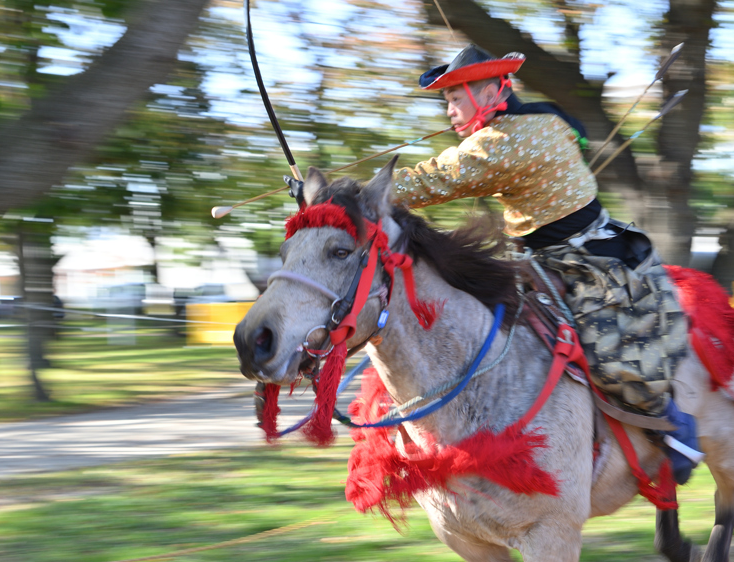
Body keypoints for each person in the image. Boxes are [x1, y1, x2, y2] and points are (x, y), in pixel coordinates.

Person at [292, 45, 703, 483]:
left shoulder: (507, 140)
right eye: (447, 101)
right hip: (534, 258)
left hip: (588, 256)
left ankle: (674, 424)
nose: (449, 111)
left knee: (609, 353)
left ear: (489, 92)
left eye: (455, 99)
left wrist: (344, 200)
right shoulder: (536, 122)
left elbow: (437, 177)